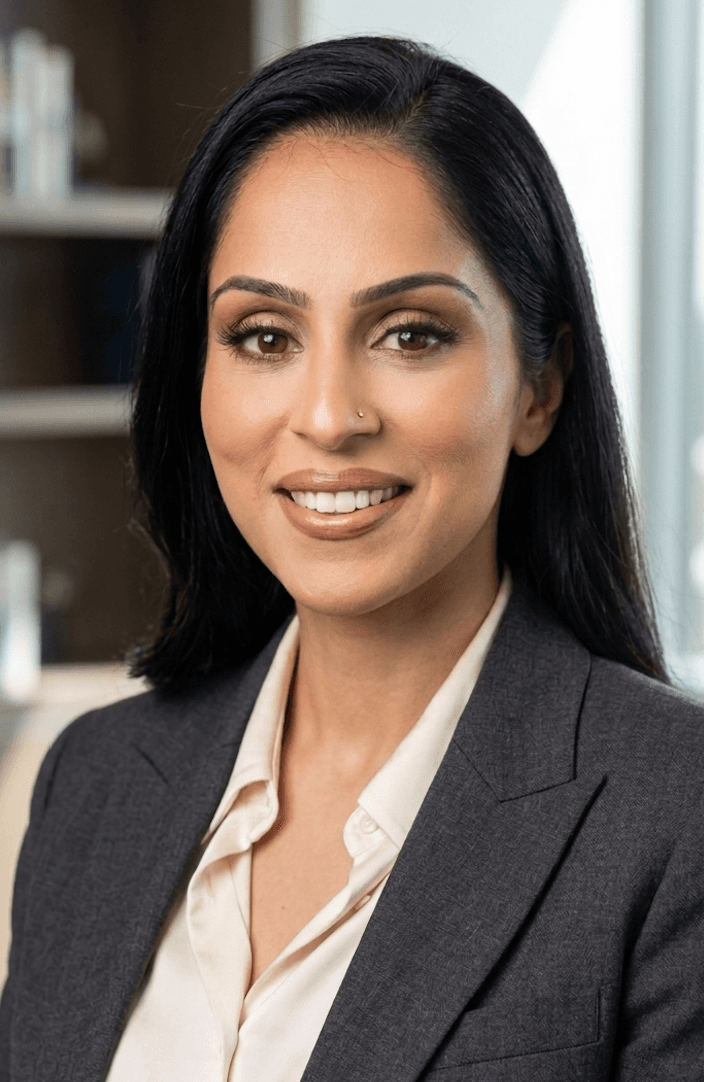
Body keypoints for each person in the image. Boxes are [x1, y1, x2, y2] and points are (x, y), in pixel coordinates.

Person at [2, 33, 704, 1082]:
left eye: (410, 332)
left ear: (537, 386)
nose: (328, 417)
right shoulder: (91, 782)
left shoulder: (670, 810)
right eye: (263, 336)